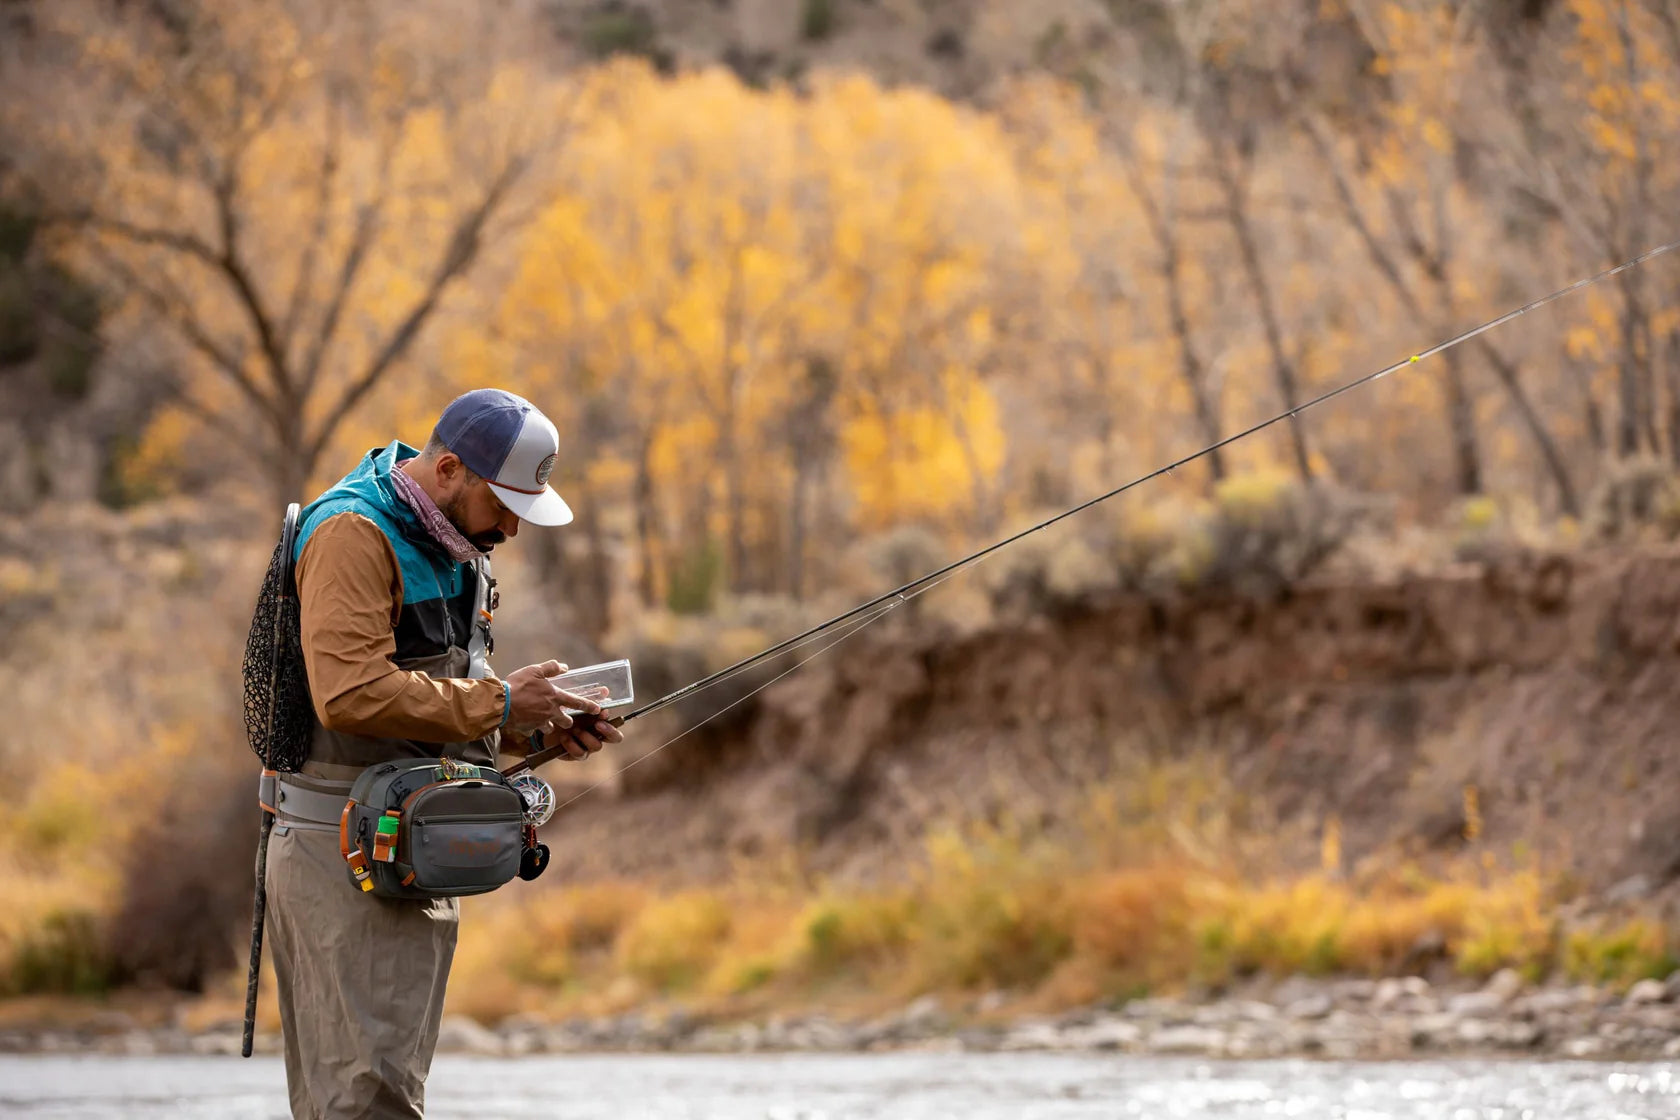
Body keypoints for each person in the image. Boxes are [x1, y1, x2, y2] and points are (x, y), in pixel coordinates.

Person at [265, 388, 624, 1119]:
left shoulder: (460, 545)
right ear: (451, 469)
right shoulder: (351, 535)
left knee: (380, 1092)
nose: (512, 531)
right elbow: (351, 695)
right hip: (341, 854)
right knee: (365, 1102)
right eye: (505, 508)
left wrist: (536, 731)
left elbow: (442, 695)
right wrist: (499, 705)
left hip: (406, 849)